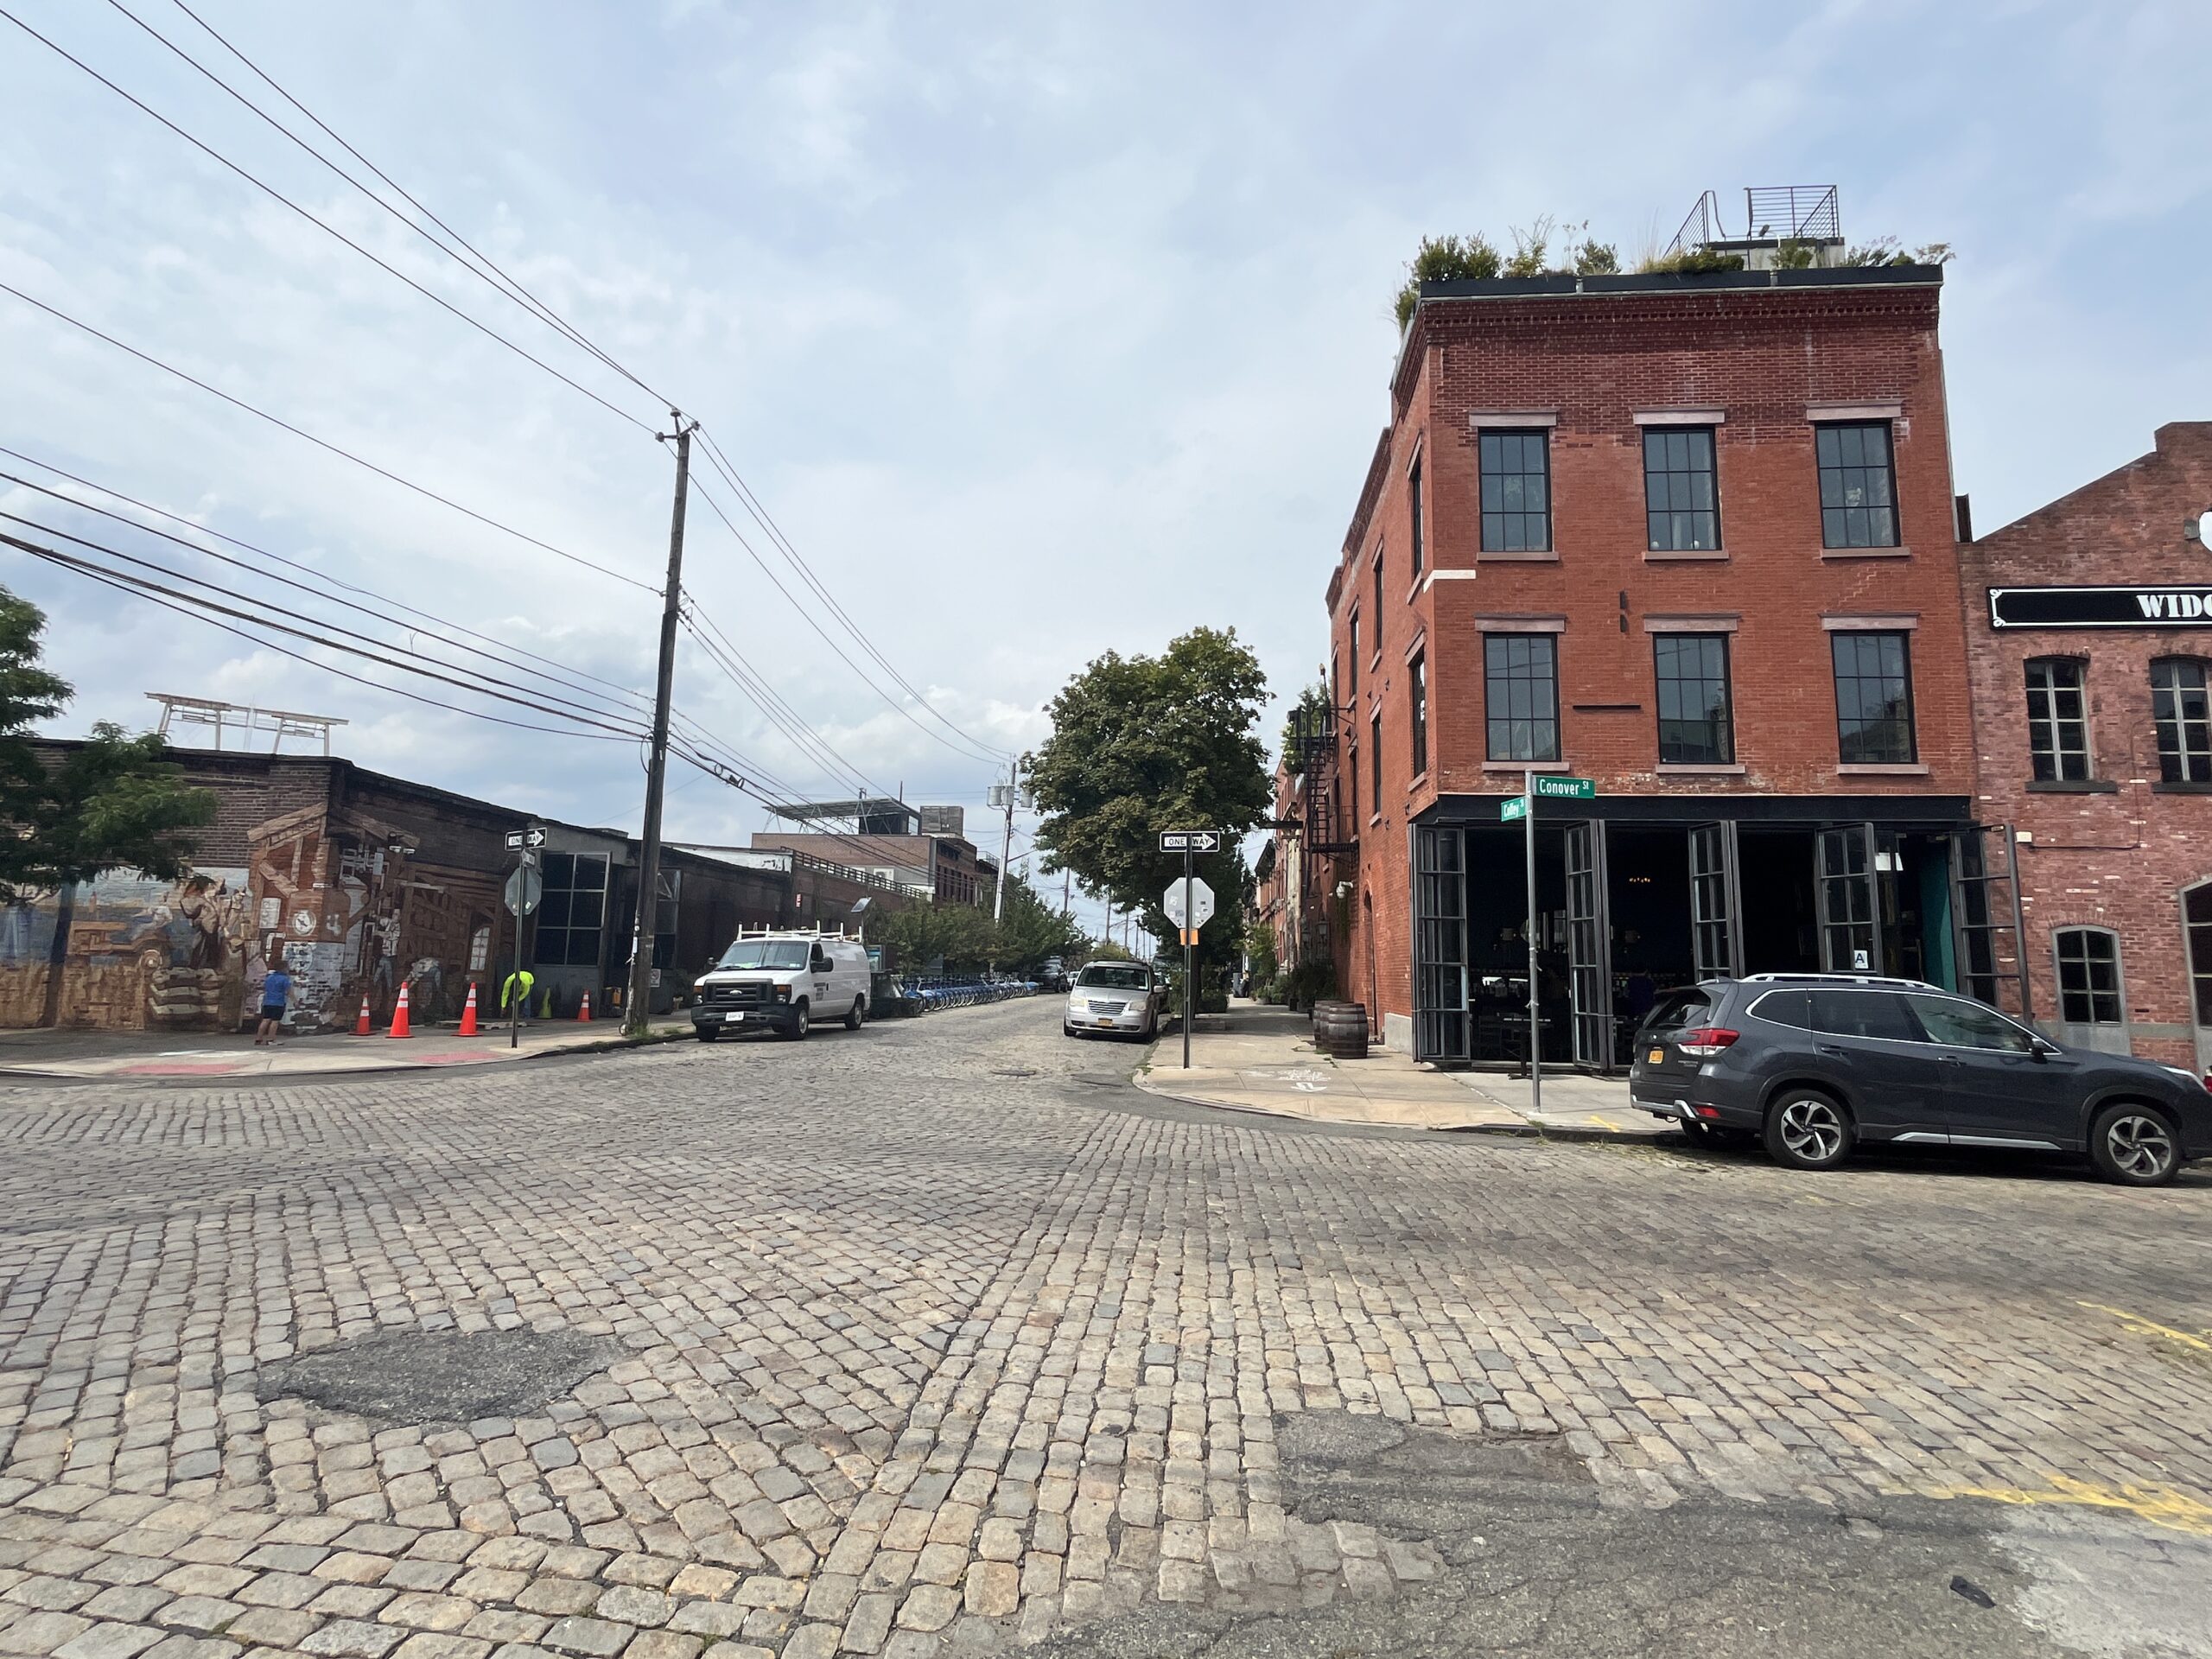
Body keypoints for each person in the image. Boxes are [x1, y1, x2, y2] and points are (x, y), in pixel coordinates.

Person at [256, 950, 293, 1046]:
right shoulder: (285, 979)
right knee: (275, 1021)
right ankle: (270, 1039)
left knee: (265, 1019)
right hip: (278, 1002)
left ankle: (258, 1038)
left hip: (267, 1001)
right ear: (284, 969)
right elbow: (289, 991)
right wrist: (295, 1001)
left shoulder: (269, 977)